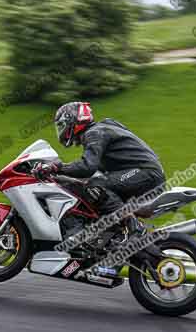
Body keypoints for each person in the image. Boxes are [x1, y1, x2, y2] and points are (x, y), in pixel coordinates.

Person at [35, 101, 166, 238]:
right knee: (92, 185)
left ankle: (134, 227)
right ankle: (116, 235)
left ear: (75, 119)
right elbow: (91, 169)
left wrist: (57, 168)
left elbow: (87, 167)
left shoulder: (94, 133)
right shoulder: (101, 129)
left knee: (96, 185)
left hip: (146, 171)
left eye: (63, 125)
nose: (62, 130)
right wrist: (63, 176)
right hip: (143, 171)